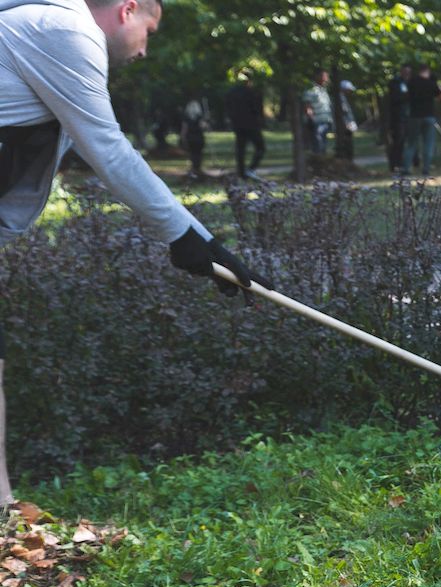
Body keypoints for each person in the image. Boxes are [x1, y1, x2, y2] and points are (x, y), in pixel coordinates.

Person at [0, 0, 269, 506]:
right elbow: (109, 148)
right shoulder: (63, 30)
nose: (147, 49)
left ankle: (4, 515)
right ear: (127, 10)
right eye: (151, 29)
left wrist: (208, 246)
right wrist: (187, 240)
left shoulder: (40, 35)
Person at [403, 64, 441, 177]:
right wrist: (439, 87)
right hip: (429, 116)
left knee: (411, 143)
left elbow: (406, 95)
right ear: (428, 71)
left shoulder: (411, 82)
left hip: (414, 116)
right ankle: (426, 169)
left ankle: (406, 168)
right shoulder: (431, 83)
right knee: (428, 143)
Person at [226, 69, 265, 180]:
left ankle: (242, 173)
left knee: (240, 149)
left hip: (238, 125)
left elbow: (228, 108)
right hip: (251, 125)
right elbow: (257, 109)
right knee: (260, 147)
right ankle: (250, 170)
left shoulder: (231, 92)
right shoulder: (252, 92)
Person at [386, 63, 411, 173]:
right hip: (398, 118)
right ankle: (395, 164)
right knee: (398, 141)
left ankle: (408, 163)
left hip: (409, 116)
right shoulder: (395, 83)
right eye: (405, 71)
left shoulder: (410, 82)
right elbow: (395, 99)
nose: (407, 74)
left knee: (409, 140)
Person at [302, 68, 333, 155]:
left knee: (323, 145)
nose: (326, 79)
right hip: (316, 122)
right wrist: (311, 119)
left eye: (327, 76)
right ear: (317, 76)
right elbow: (307, 106)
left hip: (325, 121)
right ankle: (317, 160)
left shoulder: (323, 90)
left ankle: (322, 160)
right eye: (324, 76)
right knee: (318, 145)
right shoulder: (311, 89)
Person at [179, 97, 206, 179]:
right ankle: (198, 169)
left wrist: (183, 138)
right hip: (199, 138)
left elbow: (184, 129)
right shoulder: (200, 117)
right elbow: (203, 126)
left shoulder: (186, 117)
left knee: (192, 154)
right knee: (198, 154)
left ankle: (194, 170)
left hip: (190, 138)